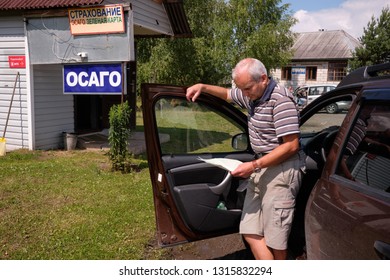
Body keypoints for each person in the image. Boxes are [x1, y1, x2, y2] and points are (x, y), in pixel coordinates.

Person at [186, 58, 304, 260]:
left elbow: (292, 145)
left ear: (264, 79)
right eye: (242, 89)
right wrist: (203, 87)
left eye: (247, 88)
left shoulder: (281, 100)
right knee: (250, 230)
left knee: (276, 239)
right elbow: (227, 94)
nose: (244, 94)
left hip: (281, 171)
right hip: (260, 167)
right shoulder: (253, 95)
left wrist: (254, 165)